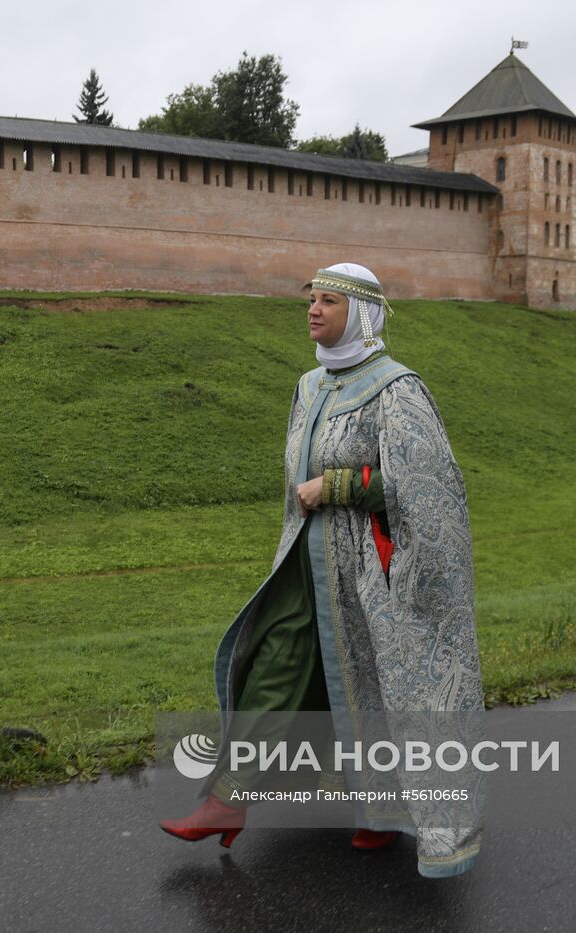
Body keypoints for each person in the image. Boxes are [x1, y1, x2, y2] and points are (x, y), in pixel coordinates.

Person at [159, 262, 485, 878]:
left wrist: (339, 485)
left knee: (374, 685)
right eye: (311, 300)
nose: (313, 310)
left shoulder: (397, 389)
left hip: (371, 575)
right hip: (306, 564)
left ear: (359, 315)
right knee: (276, 666)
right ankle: (226, 802)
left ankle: (379, 813)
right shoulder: (309, 386)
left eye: (329, 302)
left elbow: (429, 489)